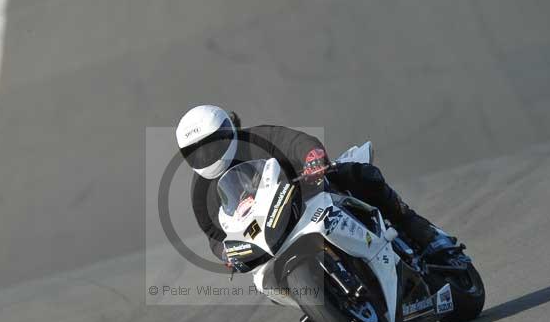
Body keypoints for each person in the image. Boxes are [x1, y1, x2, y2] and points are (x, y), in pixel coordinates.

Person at [175, 104, 448, 264]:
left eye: (212, 144)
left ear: (227, 131)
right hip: (270, 234)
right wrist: (226, 253)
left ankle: (424, 233)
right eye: (196, 151)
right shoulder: (201, 193)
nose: (207, 155)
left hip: (306, 192)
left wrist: (312, 158)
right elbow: (214, 235)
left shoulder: (257, 138)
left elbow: (296, 142)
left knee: (358, 174)